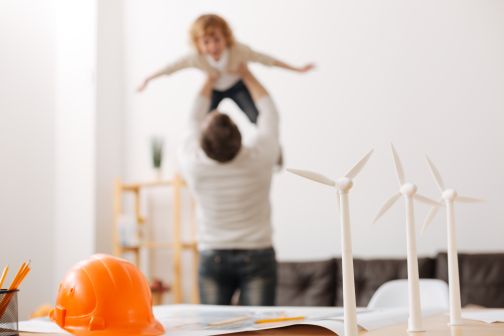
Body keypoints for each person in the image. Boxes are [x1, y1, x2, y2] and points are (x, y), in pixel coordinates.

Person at [178, 65, 280, 306]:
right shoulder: (260, 156)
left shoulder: (192, 162)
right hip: (258, 254)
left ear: (203, 143)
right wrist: (246, 73)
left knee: (214, 332)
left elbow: (192, 118)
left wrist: (208, 80)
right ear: (238, 134)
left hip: (213, 255)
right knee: (260, 333)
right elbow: (269, 113)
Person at [138, 13, 313, 124]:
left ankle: (274, 151)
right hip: (214, 89)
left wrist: (296, 69)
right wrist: (148, 79)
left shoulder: (238, 50)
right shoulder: (195, 58)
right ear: (198, 44)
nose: (213, 46)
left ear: (226, 38)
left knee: (256, 117)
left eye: (217, 40)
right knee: (202, 123)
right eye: (206, 42)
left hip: (238, 86)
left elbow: (266, 59)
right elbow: (172, 67)